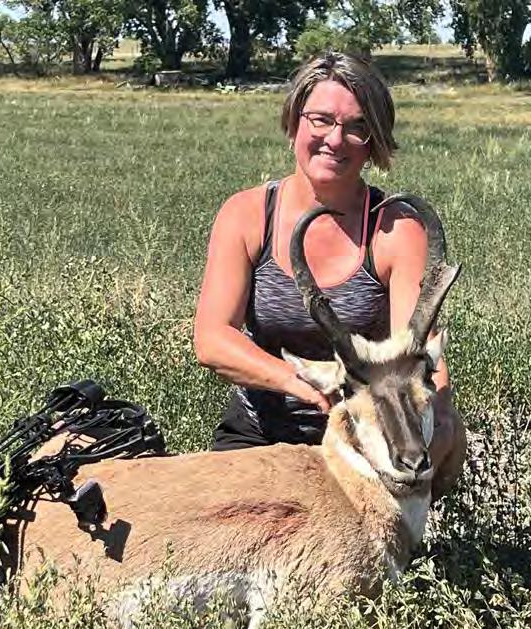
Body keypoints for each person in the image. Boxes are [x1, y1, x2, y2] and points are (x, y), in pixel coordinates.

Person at [193, 52, 466, 500]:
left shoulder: (395, 230)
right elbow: (212, 339)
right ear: (293, 123)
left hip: (366, 443)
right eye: (320, 120)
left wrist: (430, 425)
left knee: (445, 429)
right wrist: (297, 381)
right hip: (258, 435)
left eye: (357, 127)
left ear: (374, 142)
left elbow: (420, 355)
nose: (335, 140)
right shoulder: (247, 215)